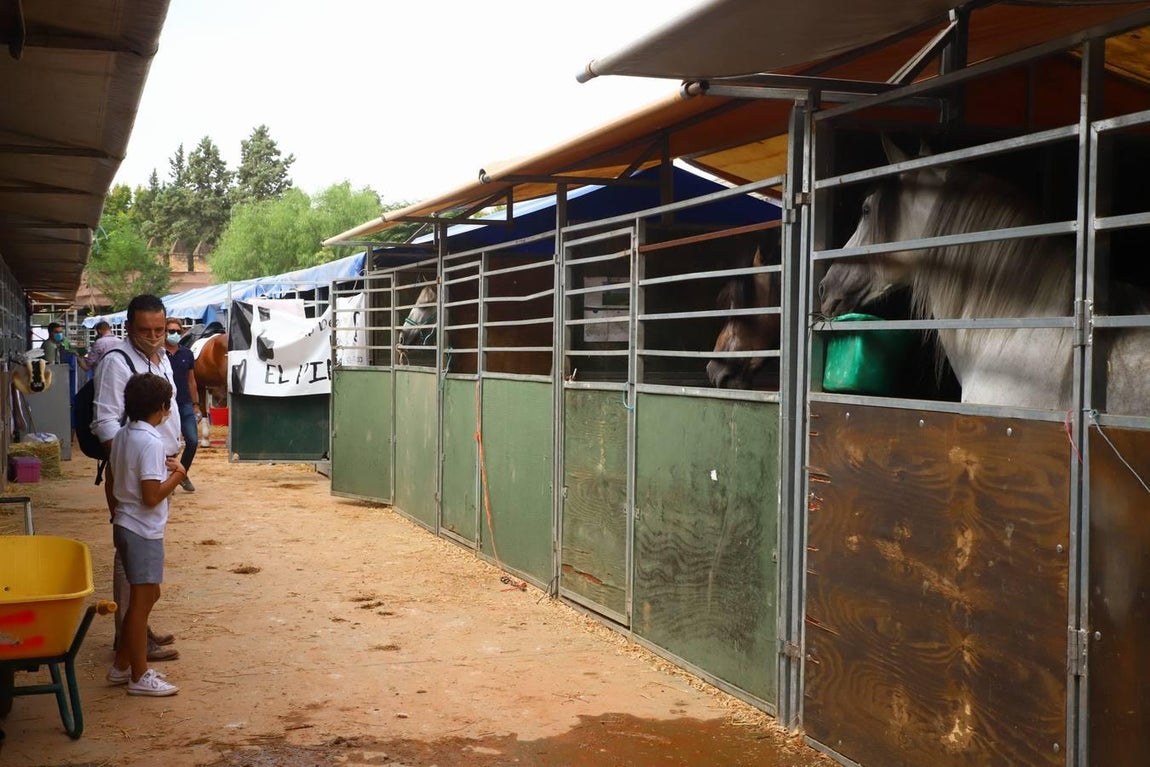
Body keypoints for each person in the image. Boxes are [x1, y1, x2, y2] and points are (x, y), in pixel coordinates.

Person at [92, 294, 182, 662]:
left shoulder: (161, 360)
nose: (154, 336)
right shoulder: (118, 362)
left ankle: (137, 629)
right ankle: (127, 642)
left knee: (143, 557)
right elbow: (105, 422)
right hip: (138, 470)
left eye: (160, 329)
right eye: (145, 330)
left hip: (156, 464)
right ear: (128, 328)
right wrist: (131, 461)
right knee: (131, 553)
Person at [104, 373, 186, 697]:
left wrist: (116, 511)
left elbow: (111, 478)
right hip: (143, 528)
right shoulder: (151, 441)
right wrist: (178, 475)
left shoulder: (123, 435)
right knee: (140, 603)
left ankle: (122, 665)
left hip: (125, 522)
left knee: (150, 595)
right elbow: (152, 495)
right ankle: (139, 674)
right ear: (163, 408)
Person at [164, 319, 200, 492]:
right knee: (168, 444)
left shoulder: (187, 354)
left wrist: (196, 404)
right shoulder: (159, 354)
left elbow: (191, 381)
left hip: (185, 403)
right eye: (171, 331)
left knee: (192, 441)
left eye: (177, 331)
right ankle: (168, 479)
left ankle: (180, 473)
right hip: (165, 406)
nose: (174, 334)